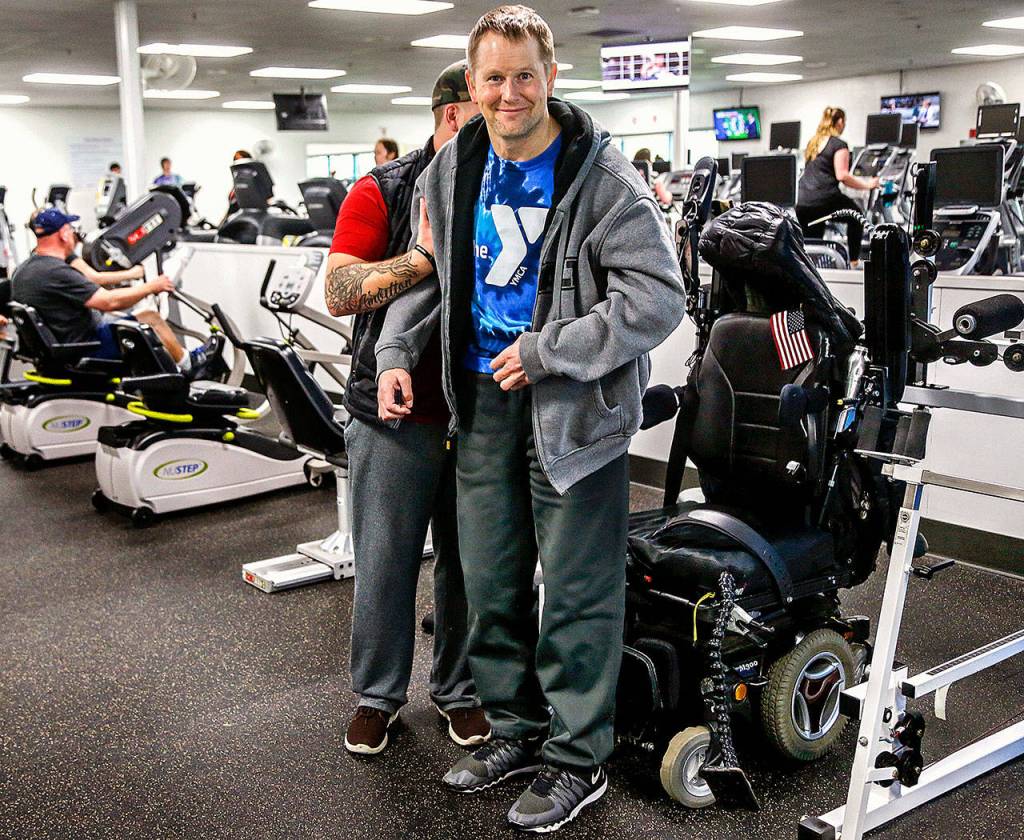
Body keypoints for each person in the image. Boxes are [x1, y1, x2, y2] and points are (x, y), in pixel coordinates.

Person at [374, 5, 686, 832]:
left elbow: (658, 299)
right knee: (488, 581)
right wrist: (396, 353)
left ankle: (578, 759)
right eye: (493, 78)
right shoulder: (452, 170)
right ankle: (515, 730)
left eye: (524, 75)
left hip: (575, 414)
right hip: (479, 403)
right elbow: (434, 279)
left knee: (578, 591)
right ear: (471, 89)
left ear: (551, 78)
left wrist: (550, 351)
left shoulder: (603, 181)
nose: (509, 92)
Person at [323, 61, 486, 757]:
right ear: (454, 115)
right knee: (387, 561)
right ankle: (377, 697)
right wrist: (424, 258)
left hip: (479, 411)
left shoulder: (507, 190)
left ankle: (460, 691)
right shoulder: (381, 190)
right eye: (490, 105)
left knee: (471, 564)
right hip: (392, 415)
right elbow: (338, 292)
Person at [7, 208, 219, 376]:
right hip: (86, 347)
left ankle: (178, 368)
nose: (73, 234)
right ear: (63, 234)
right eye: (70, 230)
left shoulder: (23, 270)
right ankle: (190, 365)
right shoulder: (56, 271)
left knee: (134, 319)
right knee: (150, 319)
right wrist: (151, 287)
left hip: (61, 346)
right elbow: (109, 302)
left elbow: (92, 285)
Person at [796, 106, 879, 267]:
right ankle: (854, 262)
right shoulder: (839, 144)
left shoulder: (813, 142)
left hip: (803, 201)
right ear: (839, 122)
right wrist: (868, 185)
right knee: (856, 217)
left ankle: (812, 271)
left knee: (813, 245)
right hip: (824, 198)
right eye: (844, 121)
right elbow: (843, 175)